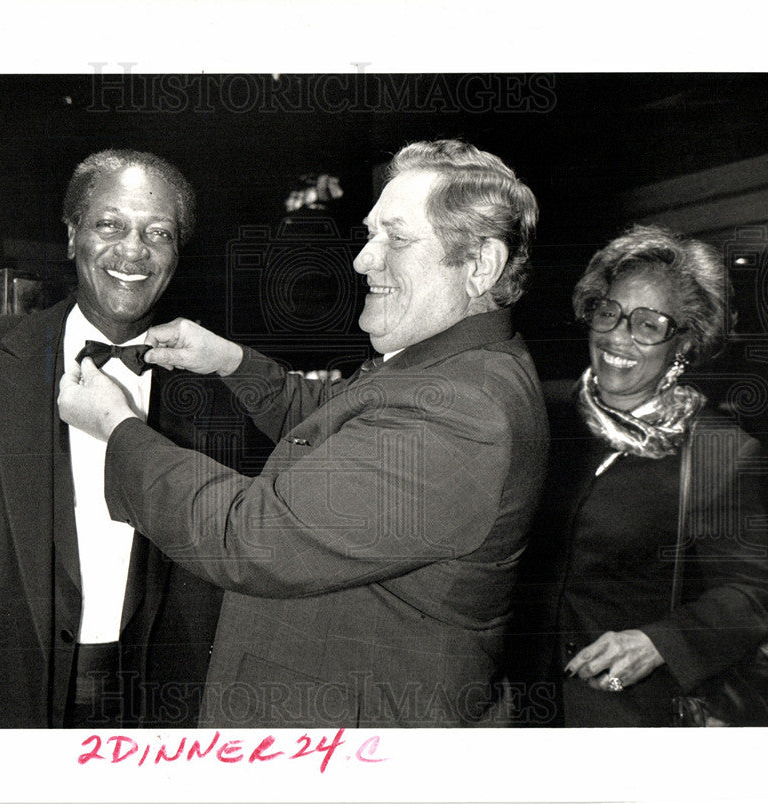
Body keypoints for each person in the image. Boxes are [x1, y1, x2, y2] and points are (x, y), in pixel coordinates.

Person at [59, 139, 548, 727]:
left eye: (397, 238)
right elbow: (331, 421)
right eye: (371, 235)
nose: (365, 259)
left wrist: (119, 433)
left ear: (479, 266)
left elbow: (250, 538)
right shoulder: (448, 367)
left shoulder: (465, 413)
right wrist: (231, 361)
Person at [0, 149, 232, 728]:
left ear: (177, 253)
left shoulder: (211, 387)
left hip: (152, 714)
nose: (134, 250)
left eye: (159, 233)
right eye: (110, 225)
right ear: (72, 234)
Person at [539, 224, 768, 727]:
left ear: (684, 343)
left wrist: (658, 642)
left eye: (648, 325)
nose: (616, 336)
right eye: (608, 312)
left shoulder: (718, 450)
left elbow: (746, 595)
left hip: (619, 714)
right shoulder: (540, 412)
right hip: (511, 705)